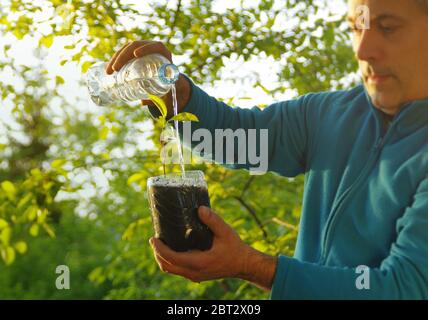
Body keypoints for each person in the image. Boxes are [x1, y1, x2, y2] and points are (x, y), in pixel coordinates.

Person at [106, 0, 428, 299]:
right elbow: (238, 141)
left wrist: (251, 265)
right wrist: (178, 94)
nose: (363, 50)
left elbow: (402, 287)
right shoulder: (328, 114)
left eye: (387, 27)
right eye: (356, 28)